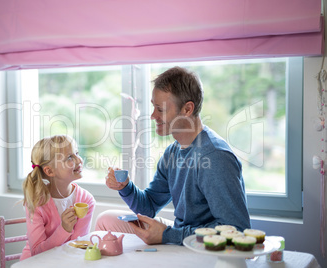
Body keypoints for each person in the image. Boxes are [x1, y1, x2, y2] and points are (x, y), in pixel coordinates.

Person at [95, 66, 251, 245]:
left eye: (160, 109)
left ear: (187, 109)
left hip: (205, 249)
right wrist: (126, 187)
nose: (153, 115)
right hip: (182, 236)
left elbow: (237, 229)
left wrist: (168, 235)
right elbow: (149, 206)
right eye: (153, 107)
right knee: (106, 219)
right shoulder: (173, 152)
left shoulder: (214, 156)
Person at [20, 135, 95, 260]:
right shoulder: (36, 202)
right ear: (49, 171)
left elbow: (77, 247)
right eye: (70, 157)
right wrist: (64, 229)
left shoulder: (86, 200)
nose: (79, 160)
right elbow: (37, 253)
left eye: (76, 153)